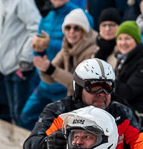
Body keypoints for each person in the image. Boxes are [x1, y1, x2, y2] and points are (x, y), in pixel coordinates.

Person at [23, 59, 143, 149]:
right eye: (94, 87)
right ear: (79, 88)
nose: (102, 93)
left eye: (107, 87)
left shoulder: (120, 113)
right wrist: (46, 146)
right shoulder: (59, 111)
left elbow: (139, 142)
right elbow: (30, 148)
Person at [19, 0, 92, 130]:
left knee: (60, 127)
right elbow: (40, 44)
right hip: (45, 81)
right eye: (68, 28)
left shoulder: (79, 15)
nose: (71, 30)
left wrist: (49, 44)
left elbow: (80, 44)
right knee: (25, 116)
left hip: (64, 85)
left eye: (74, 28)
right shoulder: (46, 14)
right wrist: (38, 48)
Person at [0, 0, 41, 127]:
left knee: (23, 115)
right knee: (13, 114)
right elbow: (0, 35)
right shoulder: (1, 3)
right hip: (5, 66)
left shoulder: (22, 2)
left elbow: (36, 28)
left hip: (20, 67)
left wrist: (26, 57)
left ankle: (28, 145)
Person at [34, 9, 99, 97]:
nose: (71, 31)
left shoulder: (92, 50)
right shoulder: (67, 46)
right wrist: (44, 68)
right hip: (72, 97)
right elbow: (49, 78)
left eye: (76, 28)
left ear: (84, 31)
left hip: (88, 100)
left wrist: (50, 69)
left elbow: (79, 84)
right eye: (68, 27)